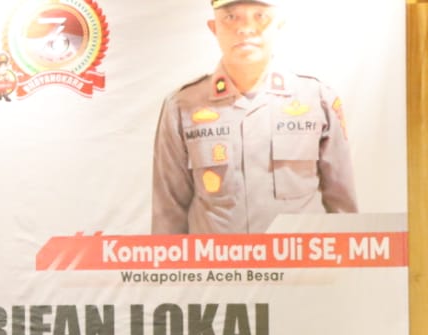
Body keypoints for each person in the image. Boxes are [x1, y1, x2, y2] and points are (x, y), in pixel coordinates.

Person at [152, 0, 356, 234]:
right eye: (231, 17)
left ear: (279, 24)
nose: (246, 28)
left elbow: (343, 208)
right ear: (214, 27)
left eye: (260, 16)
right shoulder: (182, 107)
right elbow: (168, 215)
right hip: (220, 258)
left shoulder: (317, 99)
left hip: (297, 257)